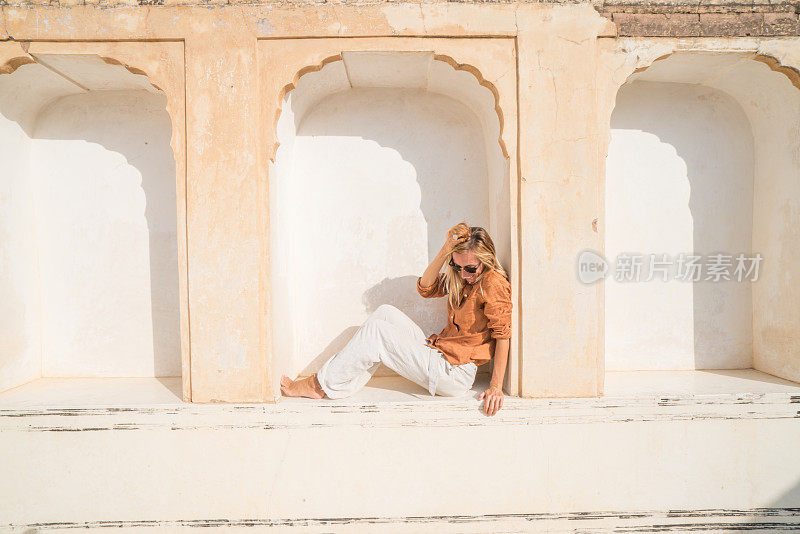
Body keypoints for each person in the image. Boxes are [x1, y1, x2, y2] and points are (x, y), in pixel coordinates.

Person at [280, 222, 513, 416]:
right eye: (457, 266)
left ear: (486, 259)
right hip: (440, 354)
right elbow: (426, 287)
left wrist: (495, 387)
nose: (463, 274)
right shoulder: (461, 278)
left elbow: (503, 335)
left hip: (453, 373)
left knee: (377, 333)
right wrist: (445, 250)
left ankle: (319, 386)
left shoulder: (493, 283)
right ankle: (340, 383)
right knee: (384, 313)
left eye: (470, 268)